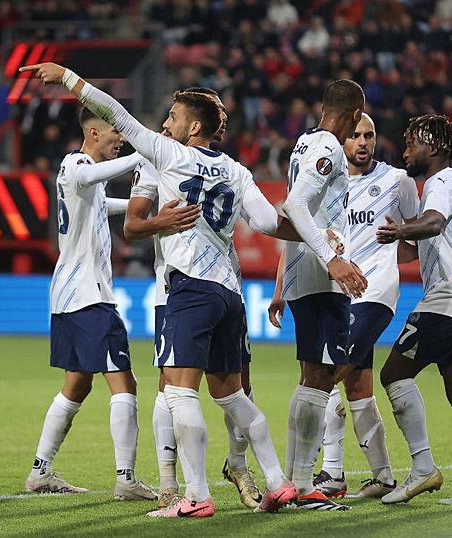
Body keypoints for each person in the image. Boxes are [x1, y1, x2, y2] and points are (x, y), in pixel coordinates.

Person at [23, 61, 312, 518]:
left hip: (189, 290)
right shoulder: (237, 171)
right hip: (228, 292)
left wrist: (69, 79)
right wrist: (321, 239)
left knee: (178, 393)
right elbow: (270, 223)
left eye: (173, 117)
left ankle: (193, 496)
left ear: (193, 126)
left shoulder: (169, 155)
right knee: (234, 396)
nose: (165, 123)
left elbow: (115, 113)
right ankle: (278, 483)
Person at [123, 87, 266, 511]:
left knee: (239, 382)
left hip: (224, 281)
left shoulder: (221, 167)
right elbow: (133, 223)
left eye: (173, 115)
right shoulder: (156, 157)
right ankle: (171, 483)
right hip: (175, 283)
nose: (166, 123)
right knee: (172, 386)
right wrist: (157, 221)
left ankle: (238, 465)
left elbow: (260, 220)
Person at [270, 113, 420, 499]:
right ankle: (383, 476)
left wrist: (380, 257)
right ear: (344, 139)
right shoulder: (327, 178)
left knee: (327, 373)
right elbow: (302, 229)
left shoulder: (396, 181)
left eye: (369, 135)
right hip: (334, 289)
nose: (362, 142)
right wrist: (280, 286)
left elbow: (416, 239)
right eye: (355, 135)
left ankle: (326, 472)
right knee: (356, 385)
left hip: (374, 291)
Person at [24, 106, 156, 502]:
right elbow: (88, 174)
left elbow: (103, 202)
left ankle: (40, 472)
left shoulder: (88, 181)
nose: (122, 138)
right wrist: (147, 152)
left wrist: (142, 202)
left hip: (70, 295)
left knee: (76, 385)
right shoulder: (76, 162)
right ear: (94, 132)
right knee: (125, 384)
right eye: (117, 132)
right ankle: (126, 478)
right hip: (88, 295)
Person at [377, 114, 452, 506]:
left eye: (412, 143)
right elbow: (422, 245)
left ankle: (423, 468)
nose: (406, 151)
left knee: (394, 374)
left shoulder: (440, 182)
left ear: (432, 146)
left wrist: (401, 227)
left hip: (447, 300)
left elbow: (431, 224)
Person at [280, 79, 367, 511]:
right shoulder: (331, 149)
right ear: (354, 117)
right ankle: (302, 484)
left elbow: (301, 209)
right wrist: (332, 259)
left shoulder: (303, 143)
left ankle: (294, 483)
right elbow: (294, 206)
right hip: (319, 273)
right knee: (320, 378)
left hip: (302, 270)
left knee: (311, 377)